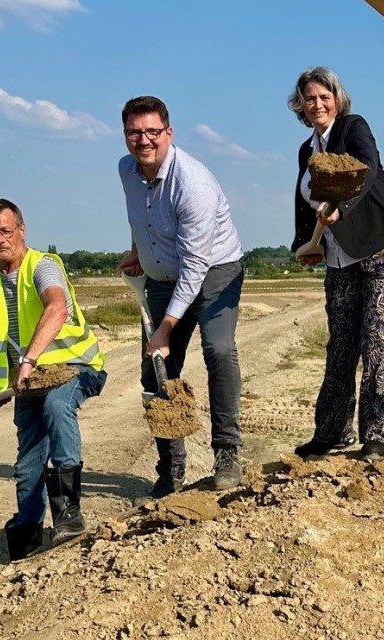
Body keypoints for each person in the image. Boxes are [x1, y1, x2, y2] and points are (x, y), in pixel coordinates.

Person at [286, 67, 384, 462]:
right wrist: (306, 244)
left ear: (337, 99)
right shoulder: (305, 149)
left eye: (324, 96)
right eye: (309, 99)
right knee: (341, 347)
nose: (317, 104)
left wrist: (340, 210)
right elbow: (306, 203)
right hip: (340, 258)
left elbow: (367, 168)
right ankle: (331, 432)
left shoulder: (353, 128)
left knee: (382, 343)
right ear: (301, 106)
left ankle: (377, 436)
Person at [117, 95, 245, 497]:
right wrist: (140, 251)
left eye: (153, 132)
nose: (144, 140)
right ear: (125, 137)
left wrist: (166, 329)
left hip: (213, 273)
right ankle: (170, 469)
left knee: (218, 350)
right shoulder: (126, 169)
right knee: (155, 370)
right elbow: (141, 214)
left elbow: (194, 267)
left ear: (168, 133)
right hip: (161, 276)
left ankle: (227, 452)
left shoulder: (193, 184)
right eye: (135, 133)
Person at [0, 198, 107, 562]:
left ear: (21, 230)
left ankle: (69, 513)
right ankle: (27, 542)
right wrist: (1, 380)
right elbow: (2, 332)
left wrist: (29, 360)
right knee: (29, 460)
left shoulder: (43, 266)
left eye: (5, 230)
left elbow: (57, 307)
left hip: (76, 365)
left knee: (58, 403)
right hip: (32, 378)